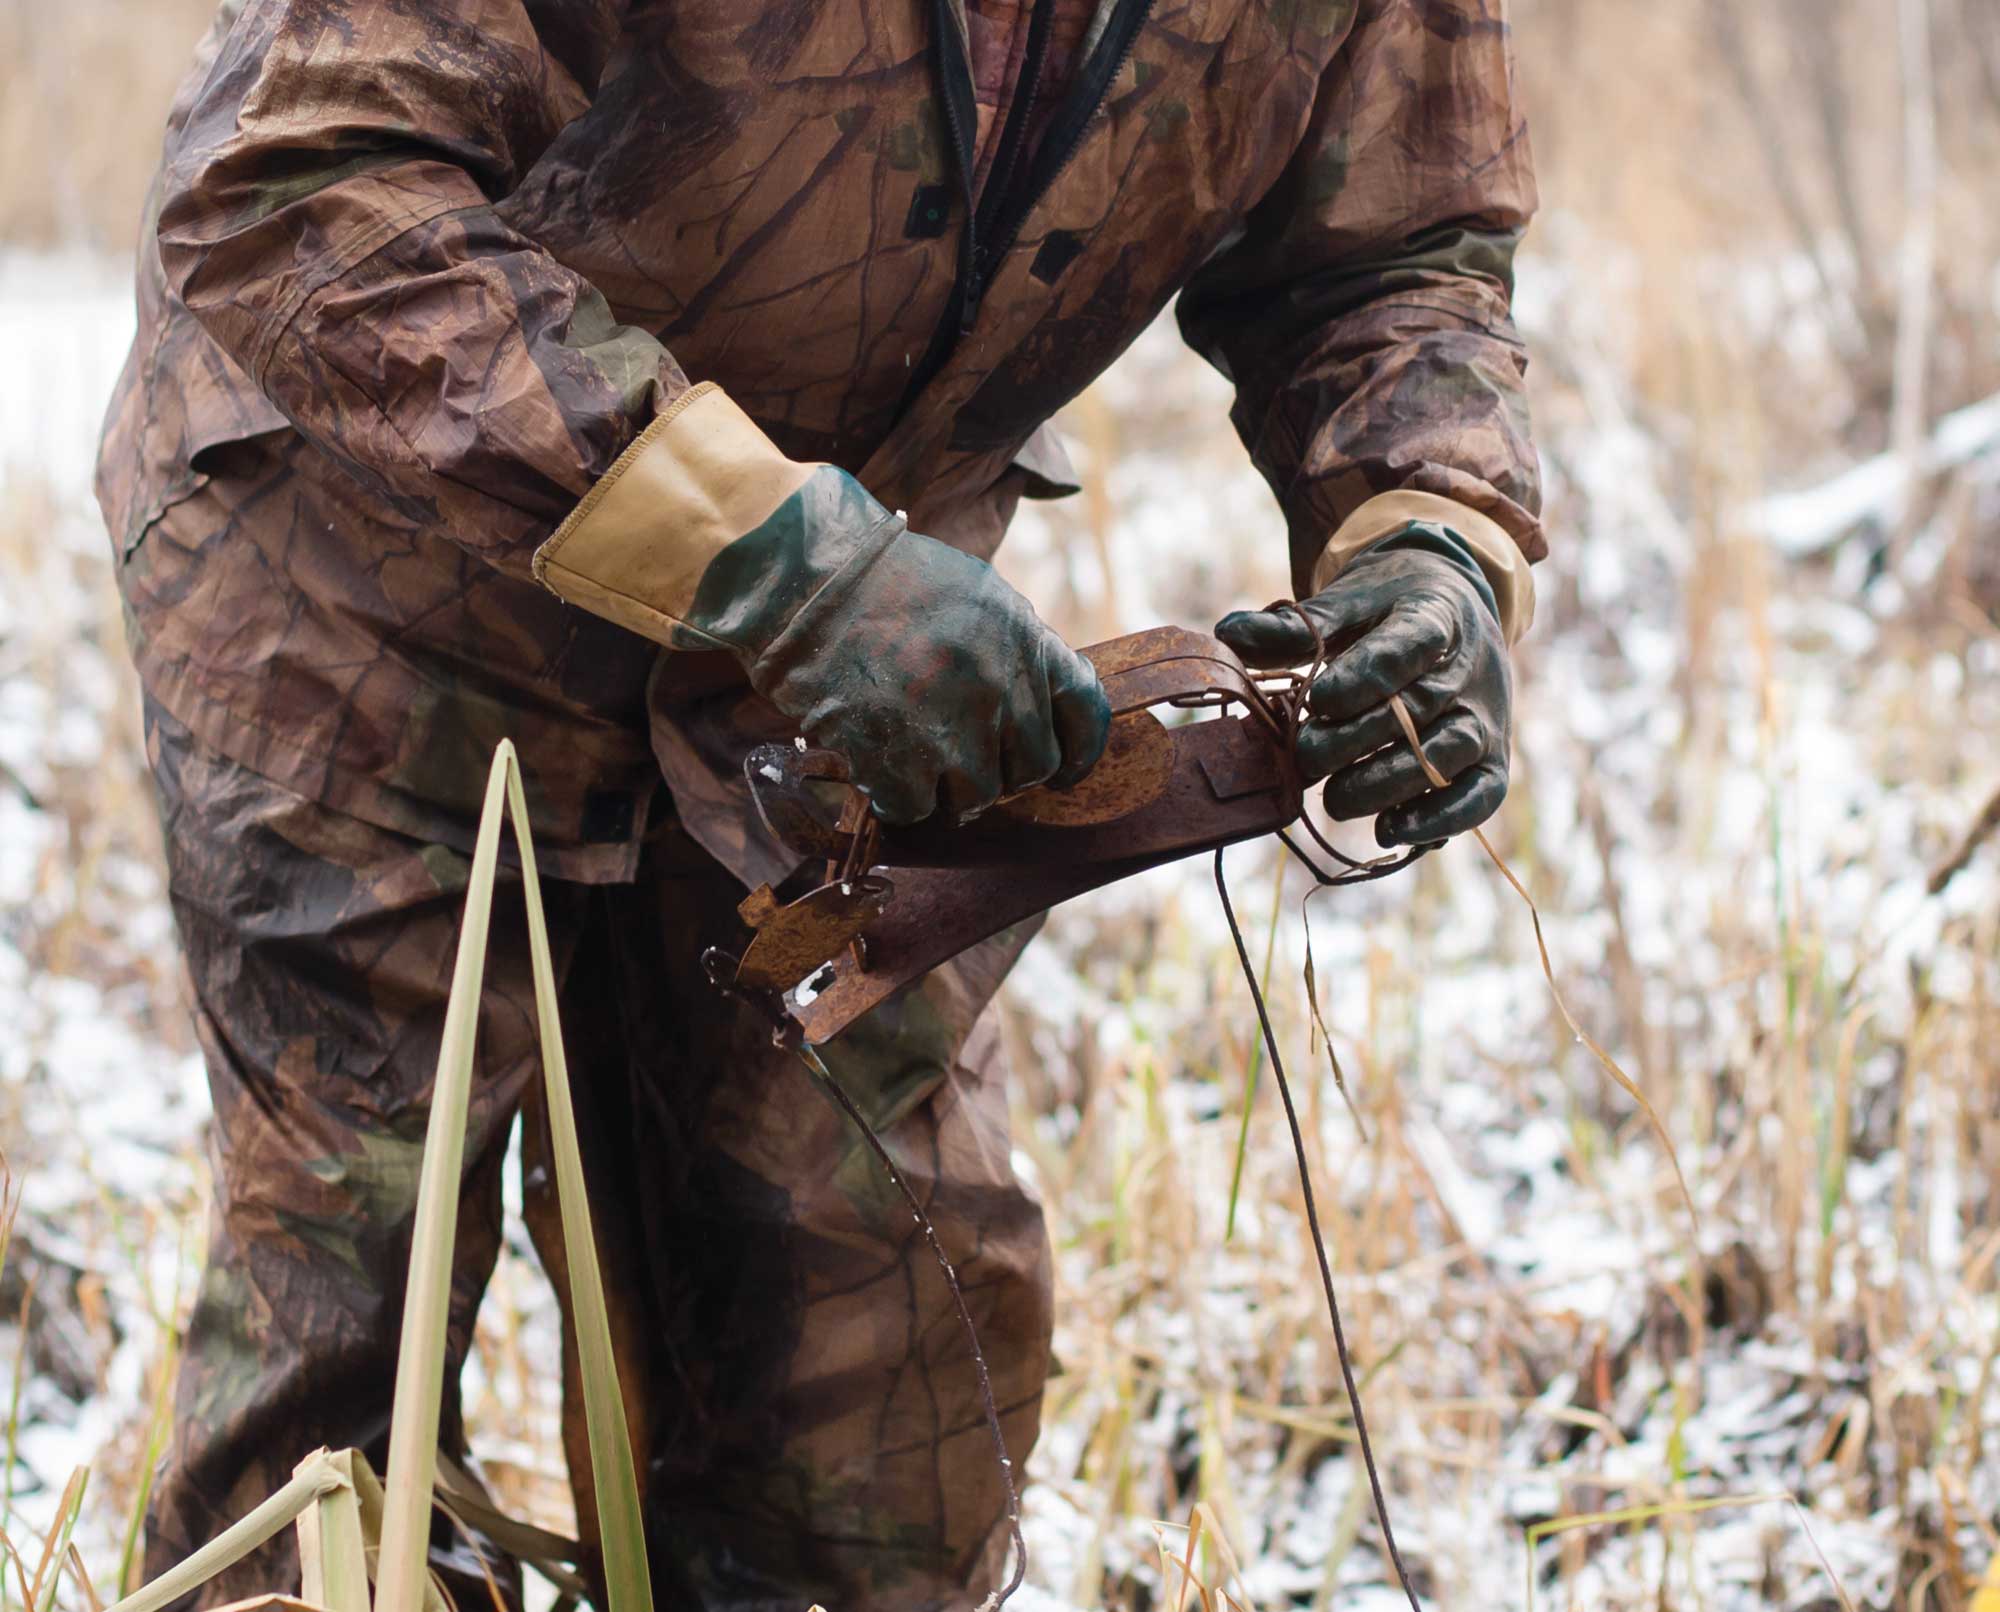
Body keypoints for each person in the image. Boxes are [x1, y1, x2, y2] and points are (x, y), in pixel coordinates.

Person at [95, 1, 1542, 1607]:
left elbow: (1386, 252)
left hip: (854, 652)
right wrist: (775, 558)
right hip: (365, 591)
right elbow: (293, 183)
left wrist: (1432, 540)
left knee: (871, 1378)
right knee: (335, 1400)